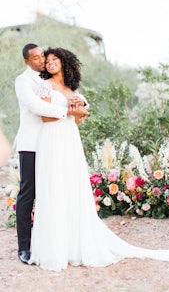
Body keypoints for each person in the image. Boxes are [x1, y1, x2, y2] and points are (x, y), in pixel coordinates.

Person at [29, 47, 169, 271]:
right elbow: (44, 117)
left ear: (64, 62)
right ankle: (54, 249)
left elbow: (78, 121)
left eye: (55, 60)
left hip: (70, 140)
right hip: (52, 140)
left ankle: (73, 245)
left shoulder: (72, 88)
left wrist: (79, 112)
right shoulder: (45, 86)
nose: (50, 63)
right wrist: (71, 112)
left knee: (72, 187)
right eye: (48, 61)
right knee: (55, 186)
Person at [15, 44, 89, 264]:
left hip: (55, 144)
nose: (41, 60)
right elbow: (36, 106)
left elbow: (73, 94)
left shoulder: (52, 78)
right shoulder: (24, 81)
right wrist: (70, 110)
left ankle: (61, 242)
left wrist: (82, 103)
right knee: (28, 194)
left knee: (57, 191)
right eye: (36, 58)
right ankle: (25, 247)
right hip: (32, 144)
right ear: (27, 61)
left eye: (43, 57)